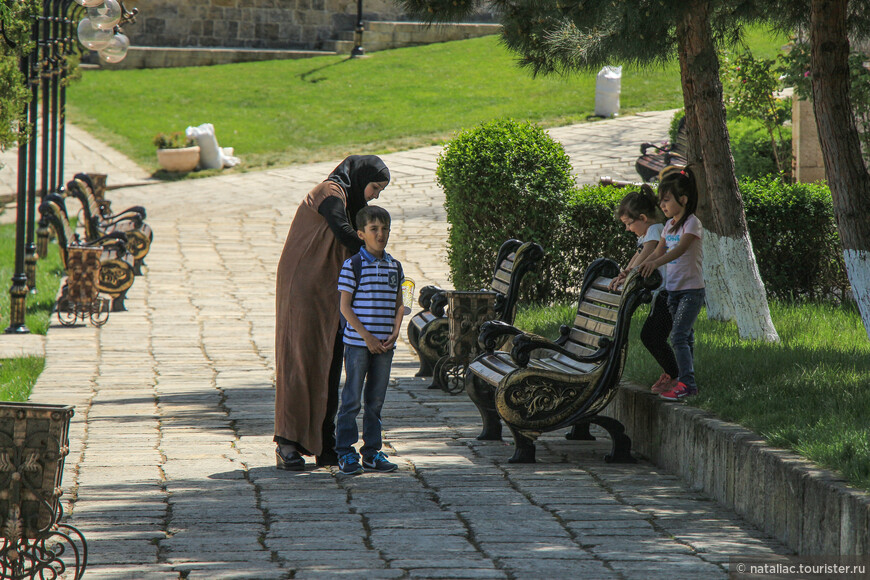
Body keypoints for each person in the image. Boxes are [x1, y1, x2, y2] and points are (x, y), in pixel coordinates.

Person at [274, 155, 390, 471]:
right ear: (361, 178)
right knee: (302, 361)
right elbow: (341, 231)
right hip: (305, 290)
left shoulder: (349, 202)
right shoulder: (329, 192)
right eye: (374, 188)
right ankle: (288, 443)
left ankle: (325, 444)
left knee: (330, 365)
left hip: (330, 293)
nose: (375, 196)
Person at [334, 206, 405, 475]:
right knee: (352, 399)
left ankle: (373, 452)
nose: (381, 234)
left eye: (385, 229)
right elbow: (345, 307)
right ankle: (345, 452)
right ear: (361, 234)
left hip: (386, 346)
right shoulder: (352, 265)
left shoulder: (395, 266)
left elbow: (403, 304)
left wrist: (395, 332)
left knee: (375, 401)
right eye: (374, 229)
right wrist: (367, 337)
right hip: (358, 345)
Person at [638, 166, 705, 401]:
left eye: (667, 200)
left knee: (678, 335)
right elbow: (657, 251)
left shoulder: (691, 224)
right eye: (661, 201)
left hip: (691, 291)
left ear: (683, 199)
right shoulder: (668, 226)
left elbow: (678, 250)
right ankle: (687, 381)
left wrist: (656, 264)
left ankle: (687, 383)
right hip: (673, 291)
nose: (663, 205)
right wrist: (638, 268)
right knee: (685, 337)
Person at [609, 185, 679, 394]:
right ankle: (673, 374)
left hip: (671, 293)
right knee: (652, 335)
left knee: (652, 336)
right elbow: (637, 260)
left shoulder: (656, 230)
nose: (627, 228)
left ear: (642, 217)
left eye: (629, 223)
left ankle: (676, 376)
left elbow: (648, 254)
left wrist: (629, 273)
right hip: (663, 295)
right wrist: (626, 273)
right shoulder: (648, 233)